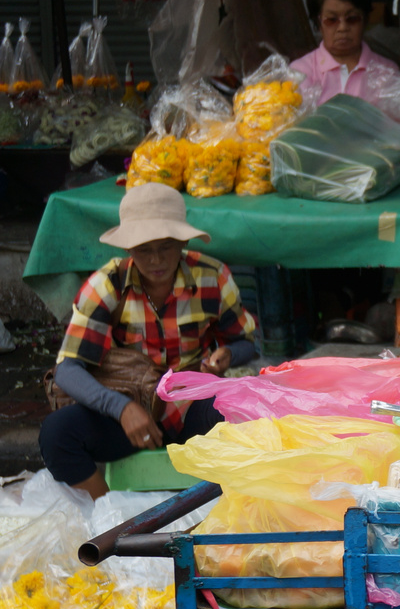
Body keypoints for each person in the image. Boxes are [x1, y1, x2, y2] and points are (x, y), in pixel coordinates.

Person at [38, 183, 257, 497]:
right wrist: (122, 408)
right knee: (57, 434)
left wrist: (228, 355)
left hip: (191, 405)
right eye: (144, 249)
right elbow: (68, 369)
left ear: (182, 241)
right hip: (129, 406)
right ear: (128, 249)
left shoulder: (213, 277)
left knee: (247, 419)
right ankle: (112, 519)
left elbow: (246, 342)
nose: (156, 260)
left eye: (166, 246)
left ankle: (224, 503)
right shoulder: (106, 285)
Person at [289, 0, 399, 105]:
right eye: (332, 20)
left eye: (352, 18)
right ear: (318, 24)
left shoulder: (387, 72)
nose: (342, 28)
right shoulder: (299, 72)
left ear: (366, 20)